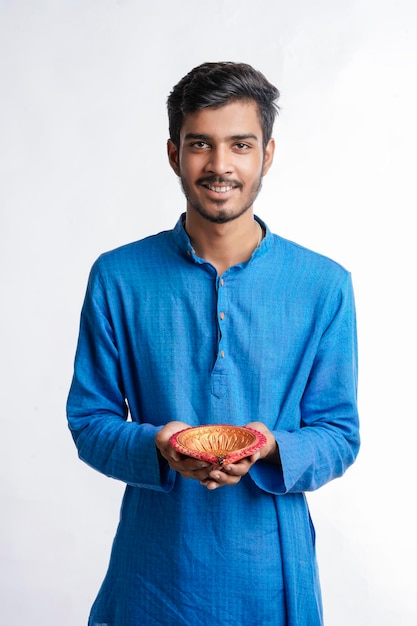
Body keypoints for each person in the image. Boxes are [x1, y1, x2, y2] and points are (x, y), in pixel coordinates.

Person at [67, 61, 360, 626]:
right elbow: (89, 421)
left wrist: (271, 446)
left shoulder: (324, 285)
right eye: (201, 143)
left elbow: (339, 435)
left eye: (240, 145)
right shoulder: (119, 276)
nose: (220, 165)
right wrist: (158, 443)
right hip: (150, 578)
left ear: (266, 155)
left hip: (273, 584)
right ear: (174, 152)